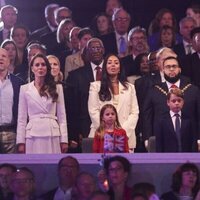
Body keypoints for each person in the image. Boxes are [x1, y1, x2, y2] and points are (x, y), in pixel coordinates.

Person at [142, 56, 200, 148]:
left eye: (174, 66)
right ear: (163, 70)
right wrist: (147, 138)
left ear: (179, 69)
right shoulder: (153, 91)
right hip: (162, 140)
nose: (171, 69)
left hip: (190, 140)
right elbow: (147, 116)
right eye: (168, 67)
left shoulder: (193, 90)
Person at [16, 54, 68, 154]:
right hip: (32, 135)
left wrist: (64, 140)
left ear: (47, 68)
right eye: (37, 65)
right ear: (32, 68)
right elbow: (21, 119)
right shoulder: (24, 89)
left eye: (43, 65)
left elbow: (62, 117)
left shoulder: (57, 88)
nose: (40, 67)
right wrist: (21, 142)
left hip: (52, 134)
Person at [88, 53, 139, 151]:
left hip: (126, 136)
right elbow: (93, 111)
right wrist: (108, 132)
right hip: (102, 136)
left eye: (116, 63)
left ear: (120, 68)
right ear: (105, 67)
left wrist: (121, 132)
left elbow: (134, 112)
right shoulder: (95, 86)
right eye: (109, 63)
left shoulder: (130, 87)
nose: (113, 65)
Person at [66, 38, 105, 151]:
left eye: (98, 48)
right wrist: (75, 132)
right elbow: (72, 108)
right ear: (86, 52)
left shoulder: (113, 72)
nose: (96, 51)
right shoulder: (75, 76)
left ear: (103, 50)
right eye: (92, 48)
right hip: (85, 129)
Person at [156, 88, 197, 152]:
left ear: (183, 102)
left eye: (179, 100)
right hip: (167, 158)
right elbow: (159, 144)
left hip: (186, 158)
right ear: (168, 102)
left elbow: (193, 142)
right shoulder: (161, 120)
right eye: (173, 101)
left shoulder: (189, 119)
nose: (177, 103)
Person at [0, 47, 24, 153]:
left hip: (12, 134)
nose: (0, 58)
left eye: (3, 56)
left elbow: (22, 111)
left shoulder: (18, 83)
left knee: (11, 167)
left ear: (9, 61)